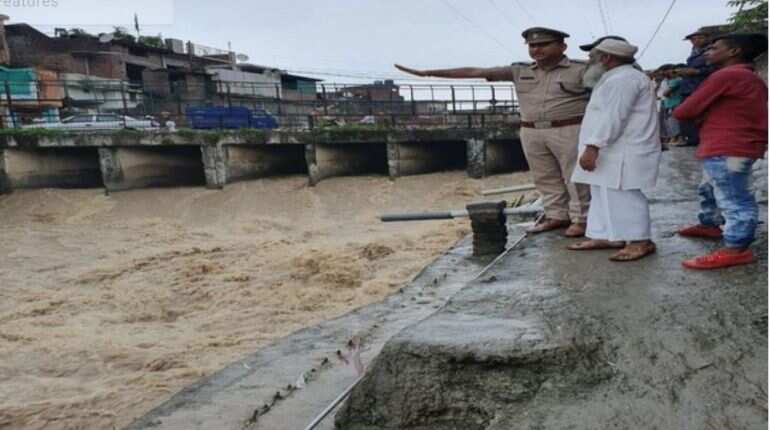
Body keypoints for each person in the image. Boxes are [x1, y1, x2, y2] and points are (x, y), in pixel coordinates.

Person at [394, 27, 590, 237]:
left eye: (543, 44)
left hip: (569, 129)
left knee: (575, 177)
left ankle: (582, 220)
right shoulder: (520, 70)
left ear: (562, 46)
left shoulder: (582, 70)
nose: (537, 49)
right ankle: (557, 216)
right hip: (531, 131)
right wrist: (429, 73)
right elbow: (476, 72)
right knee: (545, 177)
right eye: (533, 46)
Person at [673, 33, 768, 270]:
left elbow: (684, 111)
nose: (708, 52)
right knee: (712, 189)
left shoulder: (727, 75)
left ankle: (736, 248)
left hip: (728, 145)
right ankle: (710, 224)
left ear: (734, 52)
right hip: (730, 144)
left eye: (714, 48)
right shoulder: (746, 76)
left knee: (734, 198)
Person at [568, 39, 661, 262]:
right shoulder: (614, 78)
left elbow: (614, 116)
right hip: (612, 149)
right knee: (602, 193)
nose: (588, 62)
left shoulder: (624, 79)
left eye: (592, 58)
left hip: (623, 150)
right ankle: (606, 236)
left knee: (623, 194)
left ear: (606, 58)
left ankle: (640, 241)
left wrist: (593, 146)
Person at [676, 27, 718, 146]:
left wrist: (696, 72)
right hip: (689, 87)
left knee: (695, 113)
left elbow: (714, 68)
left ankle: (695, 139)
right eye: (693, 39)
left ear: (707, 39)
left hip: (699, 86)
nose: (696, 41)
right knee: (685, 114)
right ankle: (691, 138)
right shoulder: (694, 52)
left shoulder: (710, 52)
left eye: (699, 38)